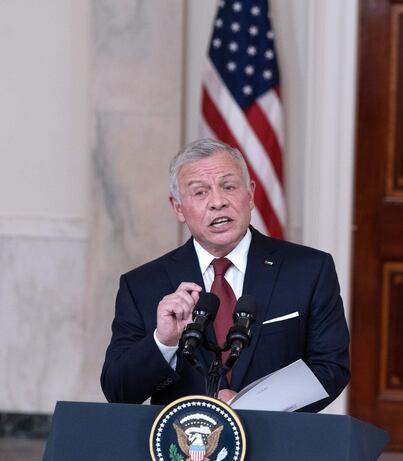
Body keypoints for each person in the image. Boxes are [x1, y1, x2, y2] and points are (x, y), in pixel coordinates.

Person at [101, 139, 350, 411]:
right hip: (181, 437)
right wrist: (163, 341)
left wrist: (254, 406)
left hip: (276, 435)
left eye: (229, 187)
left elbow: (329, 368)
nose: (218, 202)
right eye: (200, 192)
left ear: (250, 194)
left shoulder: (309, 270)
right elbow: (118, 391)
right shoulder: (142, 285)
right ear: (178, 208)